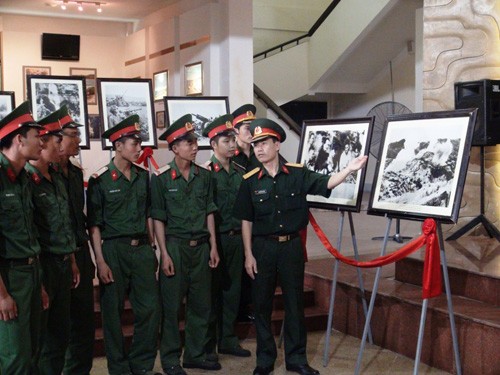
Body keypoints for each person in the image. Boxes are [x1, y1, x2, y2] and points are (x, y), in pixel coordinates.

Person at [234, 118, 368, 375]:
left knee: (294, 304)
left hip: (291, 247)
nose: (259, 149)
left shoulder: (297, 174)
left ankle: (297, 359)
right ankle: (265, 360)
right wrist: (248, 254)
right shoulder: (250, 180)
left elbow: (326, 183)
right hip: (263, 248)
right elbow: (246, 220)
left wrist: (349, 170)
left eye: (264, 143)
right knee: (261, 305)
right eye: (256, 144)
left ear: (277, 144)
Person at [87, 115, 160, 375]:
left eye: (139, 143)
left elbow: (149, 215)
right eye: (133, 143)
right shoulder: (100, 179)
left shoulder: (143, 177)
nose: (138, 148)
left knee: (150, 308)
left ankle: (141, 365)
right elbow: (94, 225)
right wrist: (100, 261)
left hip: (141, 249)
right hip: (113, 251)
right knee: (112, 312)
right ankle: (118, 367)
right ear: (118, 145)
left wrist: (153, 250)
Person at [150, 114, 220, 375]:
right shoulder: (161, 178)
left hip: (201, 247)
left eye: (194, 141)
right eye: (188, 142)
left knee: (201, 305)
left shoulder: (204, 176)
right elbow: (158, 218)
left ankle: (195, 354)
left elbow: (208, 212)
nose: (194, 147)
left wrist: (213, 246)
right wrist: (163, 254)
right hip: (176, 248)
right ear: (174, 147)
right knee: (171, 307)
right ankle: (170, 358)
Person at [26, 109, 79, 375]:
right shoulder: (26, 180)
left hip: (61, 262)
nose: (62, 146)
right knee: (40, 338)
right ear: (42, 142)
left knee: (60, 334)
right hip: (42, 265)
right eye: (56, 141)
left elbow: (65, 224)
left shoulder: (57, 178)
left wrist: (71, 261)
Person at [47, 106, 96, 375]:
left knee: (84, 319)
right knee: (58, 323)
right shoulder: (43, 175)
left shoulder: (76, 173)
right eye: (72, 135)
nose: (78, 140)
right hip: (57, 256)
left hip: (80, 250)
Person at [202, 114, 251, 360]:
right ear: (213, 144)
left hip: (235, 239)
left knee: (233, 291)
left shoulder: (240, 171)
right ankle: (209, 345)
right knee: (211, 294)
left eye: (233, 139)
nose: (232, 144)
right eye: (226, 140)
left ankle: (228, 340)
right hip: (215, 240)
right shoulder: (206, 173)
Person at [0, 101, 44, 374]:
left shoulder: (24, 179)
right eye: (37, 137)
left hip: (31, 272)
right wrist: (2, 294)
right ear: (19, 139)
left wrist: (38, 283)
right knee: (14, 355)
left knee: (31, 351)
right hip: (9, 277)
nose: (42, 142)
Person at [231, 104, 258, 323]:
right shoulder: (232, 158)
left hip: (258, 220)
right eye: (247, 128)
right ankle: (239, 308)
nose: (252, 132)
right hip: (237, 221)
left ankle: (251, 305)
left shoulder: (259, 153)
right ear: (236, 131)